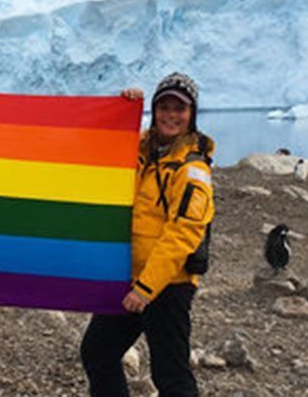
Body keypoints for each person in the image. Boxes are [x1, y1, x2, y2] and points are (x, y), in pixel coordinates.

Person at [81, 72, 215, 397]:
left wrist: (145, 289)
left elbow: (183, 234)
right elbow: (99, 147)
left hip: (168, 285)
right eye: (164, 107)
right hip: (129, 277)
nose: (171, 115)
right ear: (154, 111)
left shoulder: (192, 170)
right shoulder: (143, 150)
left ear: (191, 115)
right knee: (98, 352)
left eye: (179, 109)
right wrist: (123, 108)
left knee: (170, 375)